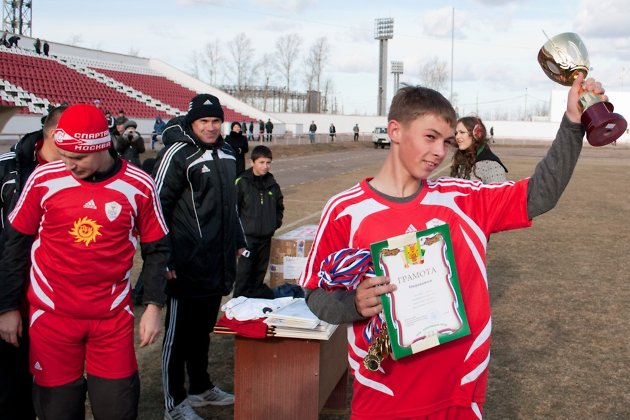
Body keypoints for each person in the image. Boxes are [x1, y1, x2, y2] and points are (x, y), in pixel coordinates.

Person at [299, 75, 601, 419]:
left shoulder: (463, 199)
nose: (440, 151)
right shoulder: (345, 210)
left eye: (446, 141)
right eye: (430, 137)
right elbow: (314, 294)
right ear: (395, 130)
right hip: (384, 398)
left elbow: (540, 194)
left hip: (459, 394)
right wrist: (353, 303)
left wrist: (573, 123)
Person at [0, 104, 169, 420]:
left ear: (102, 146)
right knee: (58, 412)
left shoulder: (139, 185)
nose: (68, 165)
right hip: (52, 317)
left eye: (78, 158)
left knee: (118, 409)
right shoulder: (43, 178)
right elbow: (15, 244)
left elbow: (158, 250)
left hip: (112, 319)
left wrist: (153, 307)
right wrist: (7, 307)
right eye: (64, 155)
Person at [154, 93, 246, 420]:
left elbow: (229, 206)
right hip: (185, 263)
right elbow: (157, 207)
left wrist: (236, 240)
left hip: (216, 262)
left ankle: (200, 386)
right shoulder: (177, 153)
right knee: (178, 337)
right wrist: (164, 258)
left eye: (215, 120)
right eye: (204, 121)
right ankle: (173, 404)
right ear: (192, 123)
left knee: (202, 332)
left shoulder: (228, 152)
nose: (210, 127)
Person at [0, 105, 66, 420]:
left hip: (59, 303)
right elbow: (9, 246)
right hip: (16, 298)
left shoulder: (86, 171)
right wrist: (6, 305)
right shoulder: (8, 170)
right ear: (55, 134)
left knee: (58, 389)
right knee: (13, 387)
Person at [233, 145, 284, 298]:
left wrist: (274, 224)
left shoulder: (273, 185)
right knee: (244, 275)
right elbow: (233, 211)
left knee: (259, 274)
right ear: (252, 162)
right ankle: (237, 307)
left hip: (265, 238)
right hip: (247, 239)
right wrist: (237, 240)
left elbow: (279, 207)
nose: (265, 166)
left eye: (268, 162)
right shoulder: (242, 182)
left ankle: (254, 306)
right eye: (261, 162)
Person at [451, 116, 508, 183]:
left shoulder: (491, 166)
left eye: (462, 132)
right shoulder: (461, 158)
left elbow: (499, 193)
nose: (457, 136)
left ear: (477, 134)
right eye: (456, 133)